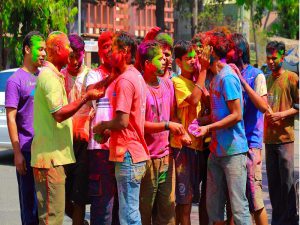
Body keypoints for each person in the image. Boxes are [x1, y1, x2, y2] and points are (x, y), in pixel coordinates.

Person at [30, 31, 103, 225]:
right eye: (68, 48)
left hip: (62, 155)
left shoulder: (56, 76)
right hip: (50, 159)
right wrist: (86, 97)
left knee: (61, 209)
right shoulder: (51, 78)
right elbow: (59, 113)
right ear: (58, 50)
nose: (71, 53)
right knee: (51, 217)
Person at [93, 31, 149, 225]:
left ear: (125, 52)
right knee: (130, 211)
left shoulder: (125, 80)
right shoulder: (136, 76)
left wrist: (103, 126)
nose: (109, 54)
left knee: (128, 216)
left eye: (114, 49)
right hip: (134, 152)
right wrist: (110, 130)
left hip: (127, 154)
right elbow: (131, 120)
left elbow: (123, 121)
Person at [195, 32, 251, 225]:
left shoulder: (227, 77)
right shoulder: (215, 77)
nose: (198, 50)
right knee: (214, 206)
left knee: (238, 206)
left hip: (234, 152)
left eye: (202, 46)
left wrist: (208, 127)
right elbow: (220, 114)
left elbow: (236, 115)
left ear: (211, 50)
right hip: (216, 152)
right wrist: (201, 121)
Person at [137, 40, 187, 225]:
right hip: (145, 160)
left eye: (166, 57)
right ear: (147, 63)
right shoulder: (139, 86)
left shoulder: (168, 84)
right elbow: (138, 124)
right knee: (144, 212)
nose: (166, 61)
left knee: (167, 212)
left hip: (166, 157)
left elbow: (173, 116)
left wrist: (182, 133)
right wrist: (167, 126)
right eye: (160, 58)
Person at [227, 33, 269, 225]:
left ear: (239, 51)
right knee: (236, 201)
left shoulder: (256, 75)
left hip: (251, 145)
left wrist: (243, 82)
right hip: (234, 145)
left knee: (255, 201)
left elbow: (264, 107)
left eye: (229, 48)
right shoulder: (227, 74)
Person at [5, 31, 46, 225]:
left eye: (45, 49)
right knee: (29, 207)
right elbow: (11, 118)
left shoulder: (45, 77)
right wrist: (17, 153)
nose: (44, 53)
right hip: (27, 152)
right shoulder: (15, 81)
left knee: (44, 207)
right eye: (40, 49)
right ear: (27, 49)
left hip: (46, 151)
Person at [171, 40, 207, 225]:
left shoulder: (196, 82)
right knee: (184, 202)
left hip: (197, 147)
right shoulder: (177, 82)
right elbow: (193, 100)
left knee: (191, 199)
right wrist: (203, 72)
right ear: (178, 62)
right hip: (182, 148)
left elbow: (206, 102)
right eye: (188, 59)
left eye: (194, 58)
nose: (193, 61)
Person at [86, 30, 119, 225]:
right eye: (105, 47)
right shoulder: (94, 74)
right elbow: (91, 92)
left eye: (112, 46)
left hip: (121, 146)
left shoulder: (125, 73)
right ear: (99, 51)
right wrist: (111, 76)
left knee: (119, 207)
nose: (109, 51)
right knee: (102, 205)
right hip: (99, 149)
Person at [264, 41, 299, 225]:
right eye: (268, 57)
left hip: (285, 139)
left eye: (274, 58)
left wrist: (281, 115)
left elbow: (298, 106)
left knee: (287, 183)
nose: (270, 61)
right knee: (274, 185)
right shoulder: (266, 79)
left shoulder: (291, 78)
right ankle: (277, 220)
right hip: (269, 140)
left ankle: (291, 220)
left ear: (282, 57)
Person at [61, 33, 90, 225]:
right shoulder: (60, 76)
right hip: (62, 143)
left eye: (77, 55)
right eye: (70, 56)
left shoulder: (91, 76)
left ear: (83, 53)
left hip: (84, 145)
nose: (74, 60)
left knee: (79, 198)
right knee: (61, 198)